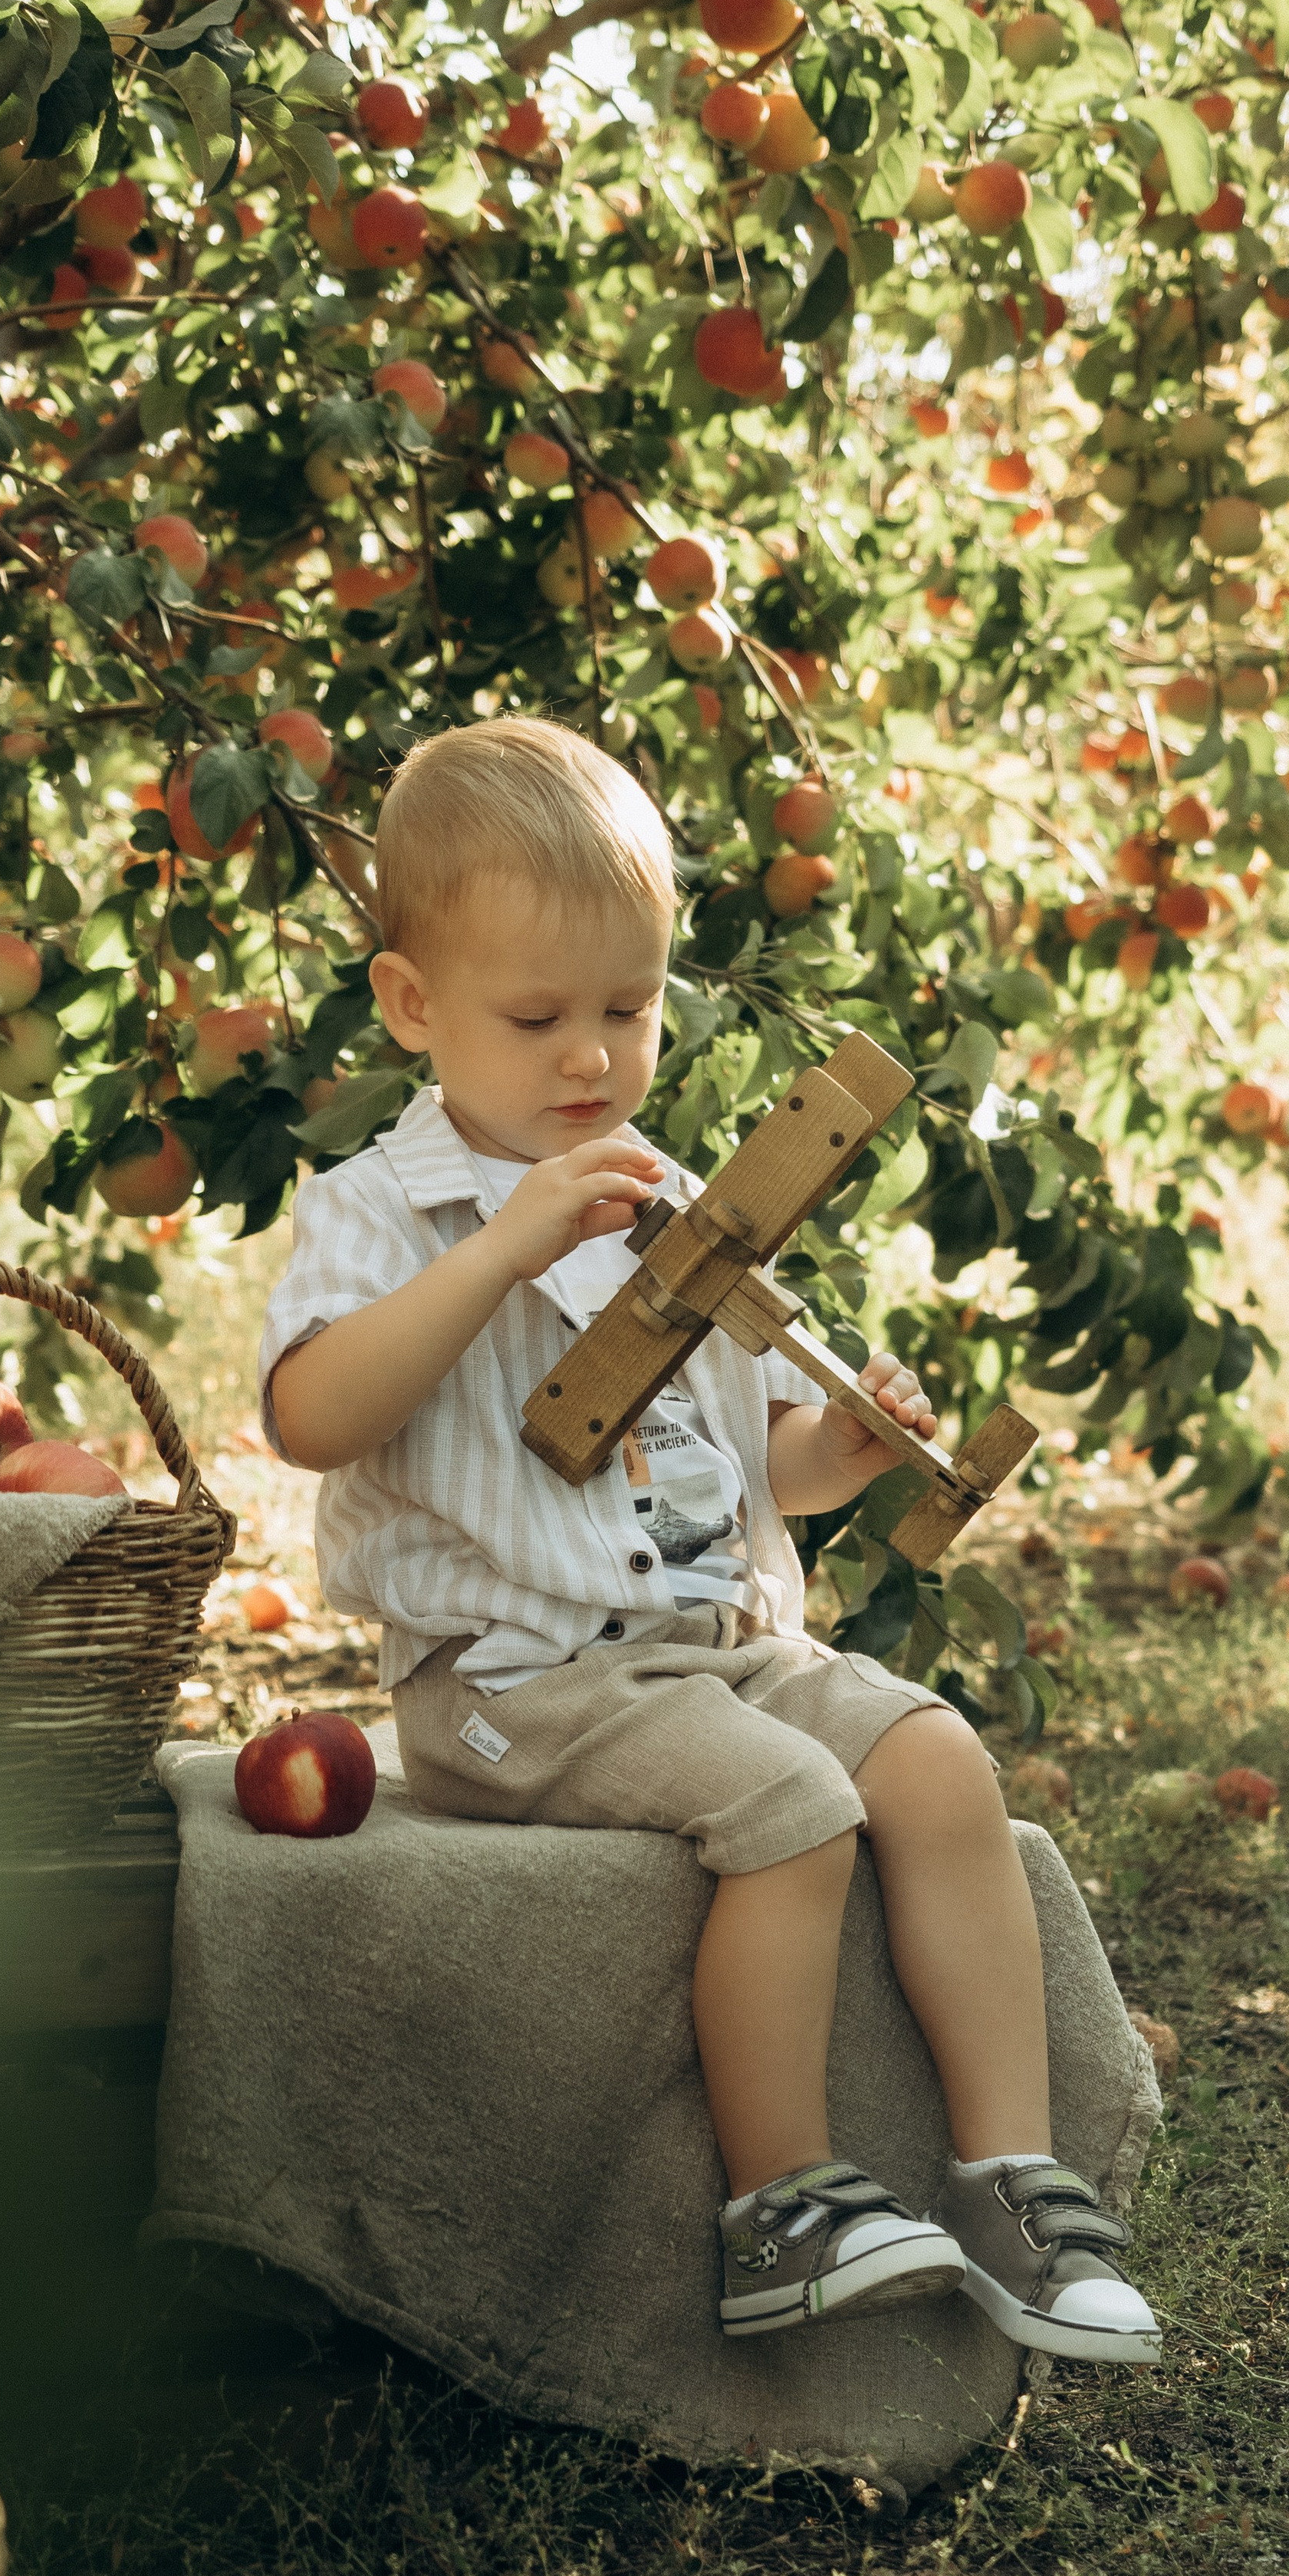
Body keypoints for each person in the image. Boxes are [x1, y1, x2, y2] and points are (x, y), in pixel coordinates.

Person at [261, 718, 1159, 2365]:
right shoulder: (378, 1210)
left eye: (629, 1006)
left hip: (720, 1652)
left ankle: (1013, 2182)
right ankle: (780, 2208)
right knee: (795, 1804)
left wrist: (849, 1437)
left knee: (937, 1760)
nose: (589, 1057)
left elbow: (752, 1474)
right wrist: (501, 1247)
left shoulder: (680, 1200)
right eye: (536, 1018)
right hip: (514, 1682)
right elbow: (311, 1413)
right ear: (411, 1006)